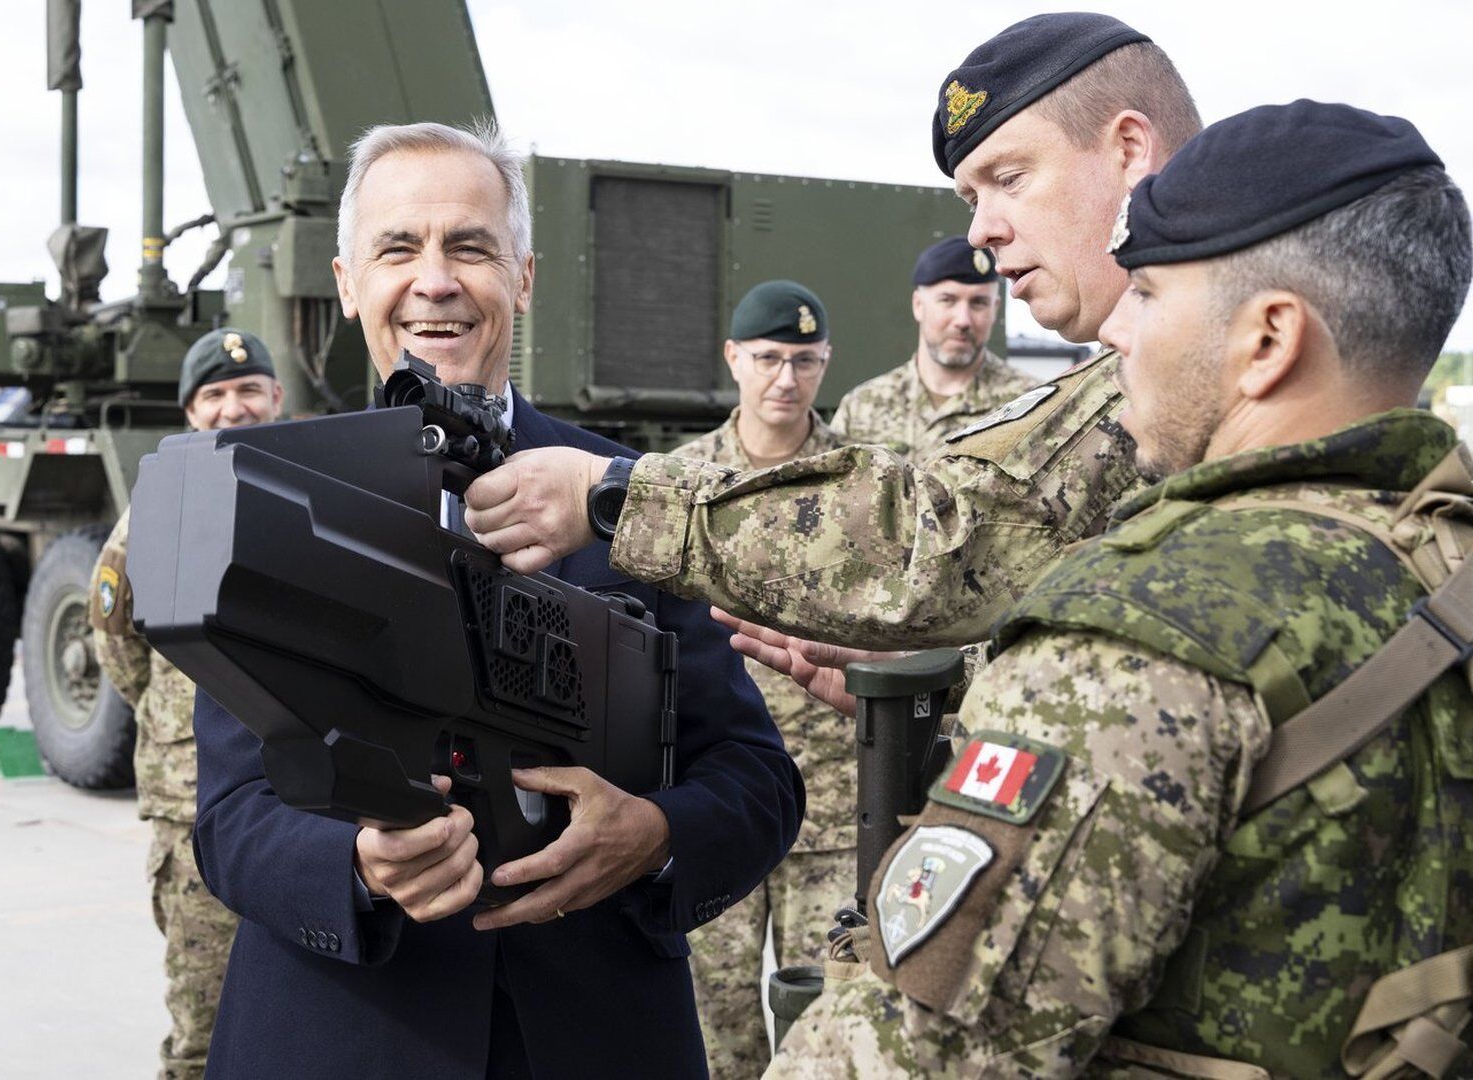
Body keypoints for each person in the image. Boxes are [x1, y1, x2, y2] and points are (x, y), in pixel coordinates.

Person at [769, 100, 1473, 1078]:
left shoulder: (1139, 627)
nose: (1115, 332)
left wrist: (1045, 698)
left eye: (1144, 293)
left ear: (1269, 339)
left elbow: (899, 1058)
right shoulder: (1445, 560)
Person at [188, 120, 804, 1079]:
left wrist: (654, 837)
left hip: (593, 1040)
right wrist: (354, 868)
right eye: (398, 248)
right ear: (348, 282)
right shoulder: (264, 498)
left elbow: (758, 778)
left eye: (470, 247)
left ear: (522, 277)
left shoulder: (632, 499)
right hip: (343, 1035)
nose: (434, 280)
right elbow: (230, 813)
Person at [462, 12, 1201, 652]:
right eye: (971, 198)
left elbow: (936, 544)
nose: (982, 231)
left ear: (1129, 149)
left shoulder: (1191, 351)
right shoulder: (1164, 349)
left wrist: (613, 496)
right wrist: (932, 680)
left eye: (1009, 179)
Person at [90, 326, 283, 1080]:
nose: (234, 408)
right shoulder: (156, 509)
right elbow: (116, 641)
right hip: (193, 800)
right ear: (190, 412)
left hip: (302, 795)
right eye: (215, 395)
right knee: (203, 1026)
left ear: (276, 397)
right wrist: (175, 721)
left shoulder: (319, 484)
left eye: (248, 390)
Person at [674, 280, 854, 1079]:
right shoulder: (678, 482)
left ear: (826, 364)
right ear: (733, 359)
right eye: (770, 358)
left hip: (834, 800)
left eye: (805, 361)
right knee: (715, 1017)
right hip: (717, 791)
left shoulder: (864, 481)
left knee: (830, 1014)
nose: (787, 378)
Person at [829, 237, 1035, 461]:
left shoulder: (1028, 405)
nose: (963, 320)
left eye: (978, 303)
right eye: (948, 300)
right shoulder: (862, 408)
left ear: (995, 309)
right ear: (918, 305)